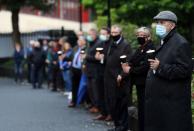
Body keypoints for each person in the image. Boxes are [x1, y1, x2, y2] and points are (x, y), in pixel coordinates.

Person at [145, 11, 193, 131]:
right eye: (157, 22)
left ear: (172, 25)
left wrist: (159, 67)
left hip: (172, 105)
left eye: (162, 22)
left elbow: (184, 71)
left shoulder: (180, 43)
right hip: (162, 103)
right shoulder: (165, 41)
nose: (158, 26)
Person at [121, 27, 155, 131]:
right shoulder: (141, 47)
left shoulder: (150, 48)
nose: (140, 37)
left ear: (149, 37)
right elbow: (133, 60)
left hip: (146, 83)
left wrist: (130, 70)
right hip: (139, 83)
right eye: (138, 35)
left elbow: (145, 66)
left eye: (142, 36)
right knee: (141, 108)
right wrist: (127, 64)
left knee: (145, 109)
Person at [105, 25, 132, 131]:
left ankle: (123, 127)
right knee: (112, 103)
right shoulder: (111, 44)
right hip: (109, 79)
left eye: (116, 33)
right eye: (112, 32)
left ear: (120, 33)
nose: (113, 35)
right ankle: (117, 125)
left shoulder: (125, 45)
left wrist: (121, 75)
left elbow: (128, 62)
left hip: (120, 79)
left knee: (121, 104)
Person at [94, 27, 112, 121]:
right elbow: (96, 55)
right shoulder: (100, 43)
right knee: (100, 92)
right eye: (101, 33)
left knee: (107, 94)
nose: (102, 35)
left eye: (104, 33)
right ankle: (103, 112)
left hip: (107, 72)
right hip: (99, 71)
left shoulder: (111, 44)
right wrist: (97, 56)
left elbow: (111, 59)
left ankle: (109, 113)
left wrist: (103, 58)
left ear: (108, 34)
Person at [85, 28, 101, 113]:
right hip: (89, 70)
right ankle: (94, 105)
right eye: (89, 34)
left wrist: (86, 57)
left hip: (95, 70)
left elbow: (96, 58)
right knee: (90, 89)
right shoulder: (90, 43)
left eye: (91, 34)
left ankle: (97, 106)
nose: (89, 36)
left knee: (95, 90)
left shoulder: (98, 43)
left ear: (95, 34)